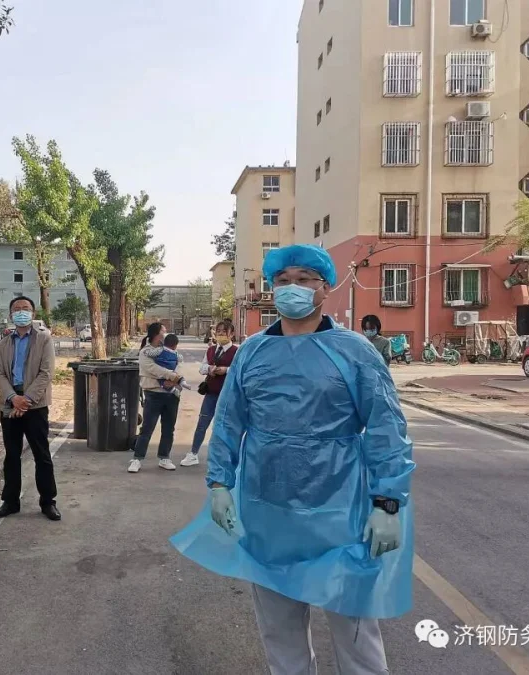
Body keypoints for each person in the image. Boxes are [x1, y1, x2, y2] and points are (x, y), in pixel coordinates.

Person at [171, 244, 415, 674]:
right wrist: (220, 485)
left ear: (325, 287)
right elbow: (228, 422)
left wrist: (388, 502)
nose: (292, 288)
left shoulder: (354, 352)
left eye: (304, 279)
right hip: (268, 511)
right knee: (280, 636)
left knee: (356, 637)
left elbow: (386, 428)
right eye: (282, 280)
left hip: (340, 512)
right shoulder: (252, 353)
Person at [0, 296, 60, 520]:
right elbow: (0, 373)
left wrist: (26, 400)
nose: (21, 312)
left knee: (42, 454)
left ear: (33, 313)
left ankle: (48, 502)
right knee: (11, 456)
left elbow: (46, 373)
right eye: (17, 309)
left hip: (36, 405)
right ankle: (10, 501)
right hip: (9, 404)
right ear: (11, 315)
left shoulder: (44, 339)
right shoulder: (4, 343)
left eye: (25, 308)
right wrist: (13, 398)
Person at [181, 320, 238, 468]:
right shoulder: (211, 350)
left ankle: (227, 458)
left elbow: (240, 370)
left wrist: (226, 370)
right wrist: (209, 369)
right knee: (202, 424)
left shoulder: (237, 351)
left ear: (231, 334)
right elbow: (202, 368)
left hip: (228, 396)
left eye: (224, 331)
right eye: (218, 331)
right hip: (211, 394)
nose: (220, 334)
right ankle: (193, 454)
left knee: (226, 427)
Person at [129, 323, 181, 473]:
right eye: (164, 331)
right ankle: (137, 459)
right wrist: (172, 375)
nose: (166, 334)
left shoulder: (169, 350)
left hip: (171, 395)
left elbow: (178, 364)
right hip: (153, 394)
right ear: (156, 334)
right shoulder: (146, 352)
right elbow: (152, 369)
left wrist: (176, 378)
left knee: (168, 429)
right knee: (147, 428)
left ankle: (164, 458)